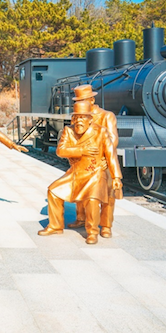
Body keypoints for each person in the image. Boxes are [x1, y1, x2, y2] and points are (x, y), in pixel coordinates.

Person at [38, 100, 123, 244]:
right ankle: (55, 226)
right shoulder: (68, 131)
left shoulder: (101, 132)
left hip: (95, 173)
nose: (79, 121)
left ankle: (92, 232)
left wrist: (116, 177)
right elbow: (60, 151)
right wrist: (82, 150)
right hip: (75, 173)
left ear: (90, 119)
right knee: (53, 191)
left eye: (83, 117)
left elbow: (111, 155)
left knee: (92, 200)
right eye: (76, 117)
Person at [67, 84, 119, 238]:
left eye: (82, 100)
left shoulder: (106, 116)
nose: (79, 103)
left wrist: (103, 158)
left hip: (103, 161)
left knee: (108, 194)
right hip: (83, 160)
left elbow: (113, 139)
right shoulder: (78, 114)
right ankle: (81, 218)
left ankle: (106, 225)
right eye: (77, 101)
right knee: (80, 189)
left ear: (92, 100)